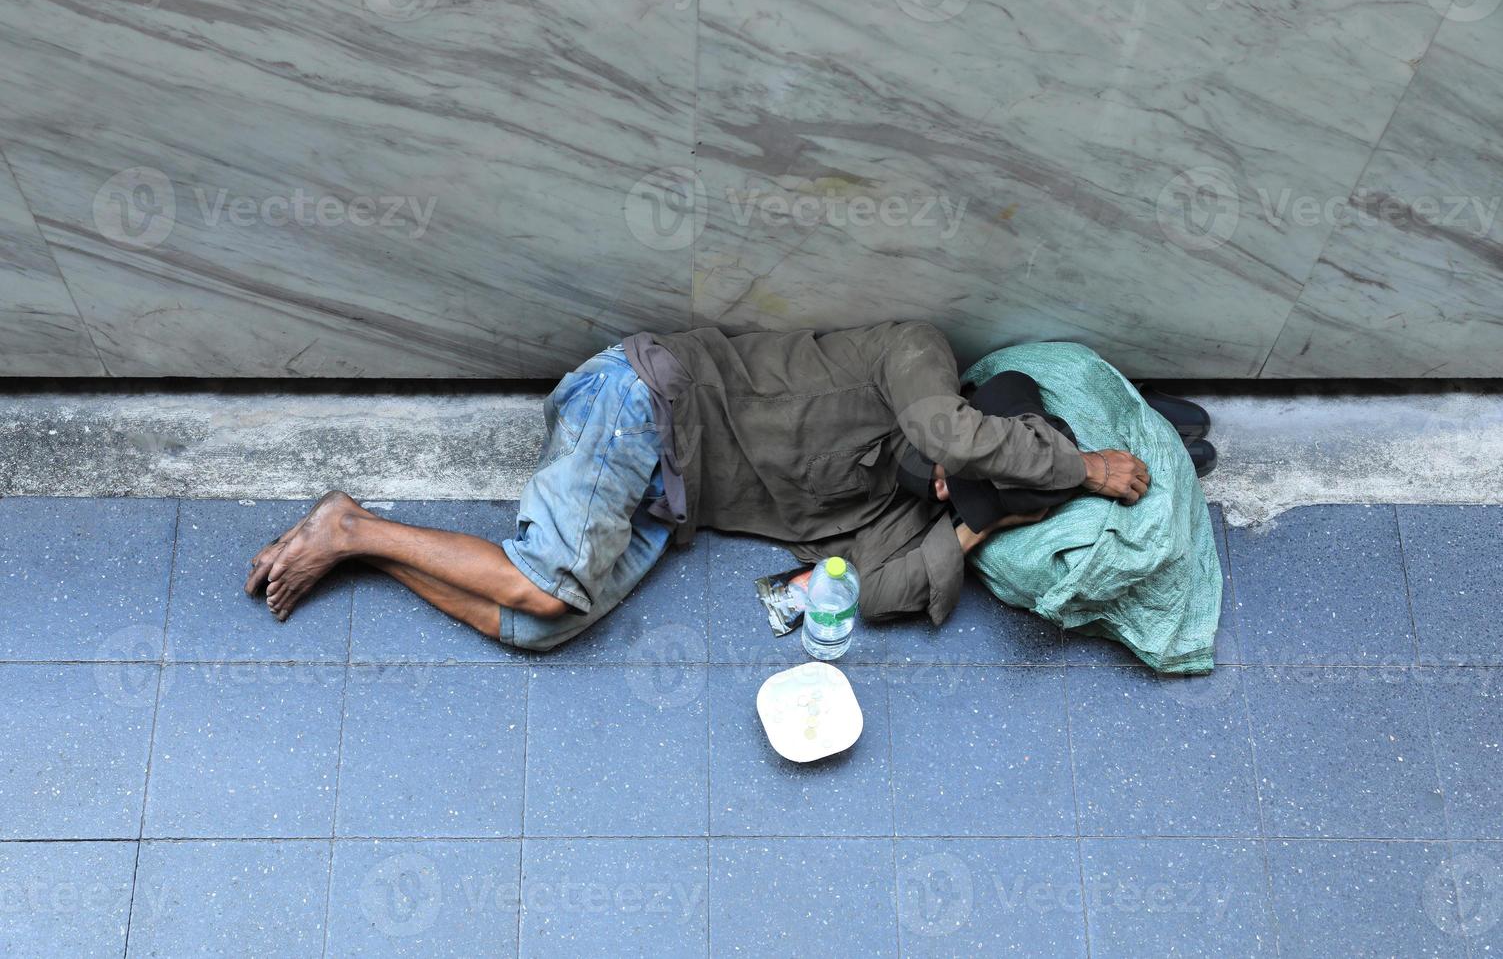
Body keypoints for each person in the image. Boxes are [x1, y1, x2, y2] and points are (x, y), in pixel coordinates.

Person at [245, 323, 1168, 651]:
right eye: (962, 468)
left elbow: (832, 601)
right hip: (646, 400)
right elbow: (943, 433)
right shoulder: (913, 356)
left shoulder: (904, 507)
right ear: (975, 418)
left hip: (662, 505)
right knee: (546, 584)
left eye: (957, 489)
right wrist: (1078, 470)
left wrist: (975, 524)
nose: (941, 478)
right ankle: (346, 525)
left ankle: (359, 544)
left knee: (534, 626)